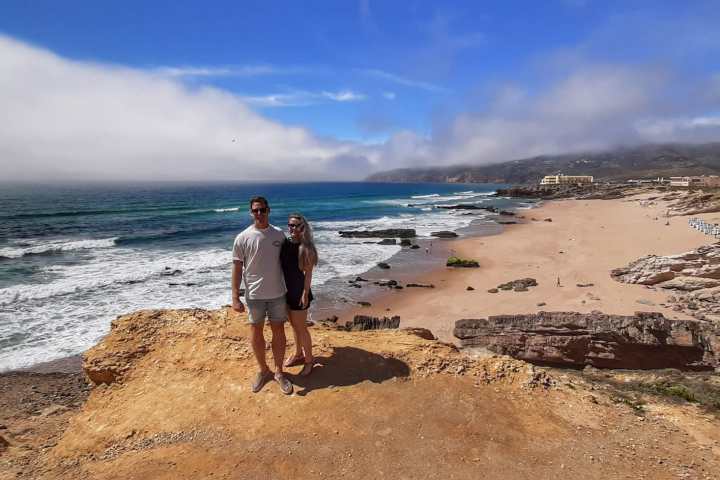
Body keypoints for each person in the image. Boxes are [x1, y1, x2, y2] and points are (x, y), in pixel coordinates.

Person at [231, 196, 293, 395]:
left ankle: (279, 372)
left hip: (277, 293)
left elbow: (289, 263)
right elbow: (237, 268)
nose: (259, 213)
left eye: (262, 210)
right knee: (256, 333)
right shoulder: (243, 237)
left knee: (278, 333)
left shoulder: (279, 234)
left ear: (269, 210)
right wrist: (235, 297)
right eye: (256, 210)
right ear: (251, 212)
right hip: (254, 295)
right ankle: (263, 370)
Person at [280, 213, 318, 377]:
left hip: (299, 292)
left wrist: (304, 294)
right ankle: (298, 354)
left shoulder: (306, 248)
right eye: (290, 225)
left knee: (302, 329)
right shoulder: (285, 244)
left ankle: (309, 361)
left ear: (303, 228)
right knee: (294, 327)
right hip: (285, 291)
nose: (292, 228)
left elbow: (308, 274)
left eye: (296, 225)